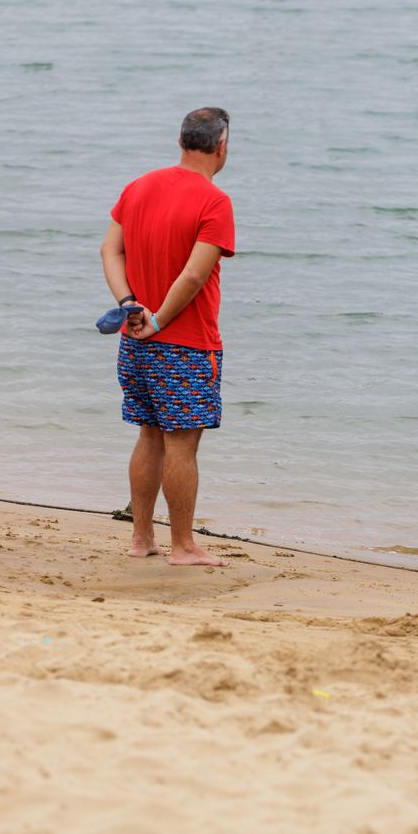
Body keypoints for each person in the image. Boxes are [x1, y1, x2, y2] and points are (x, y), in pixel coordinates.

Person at [99, 106, 235, 566]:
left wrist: (128, 305)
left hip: (134, 341)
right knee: (181, 443)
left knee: (149, 435)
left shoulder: (138, 187)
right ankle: (182, 545)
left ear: (181, 142)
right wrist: (157, 319)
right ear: (221, 147)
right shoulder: (214, 200)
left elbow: (110, 249)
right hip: (186, 342)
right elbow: (195, 276)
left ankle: (141, 539)